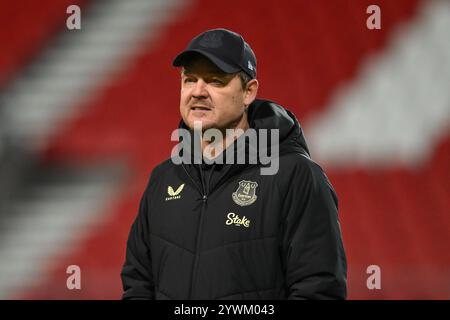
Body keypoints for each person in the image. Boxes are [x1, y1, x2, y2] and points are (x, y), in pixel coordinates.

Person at [121, 28, 347, 300]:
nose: (198, 92)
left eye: (215, 81)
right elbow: (137, 284)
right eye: (189, 79)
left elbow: (319, 290)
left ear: (249, 92)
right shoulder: (163, 179)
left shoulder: (297, 177)